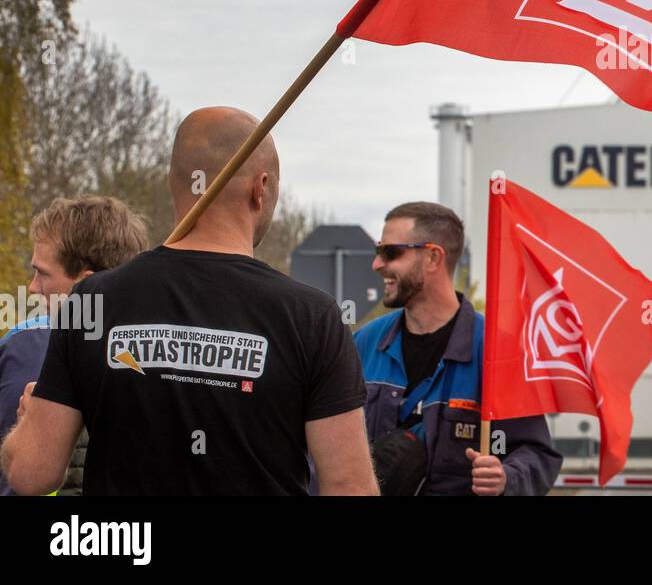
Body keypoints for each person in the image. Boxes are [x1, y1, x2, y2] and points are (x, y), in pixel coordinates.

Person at [0, 106, 378, 495]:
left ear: (173, 183)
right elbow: (350, 486)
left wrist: (28, 422)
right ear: (260, 187)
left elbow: (31, 474)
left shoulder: (91, 301)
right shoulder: (313, 317)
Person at [354, 201, 562, 495]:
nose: (377, 265)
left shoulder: (496, 352)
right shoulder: (363, 344)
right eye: (379, 252)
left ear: (432, 257)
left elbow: (537, 453)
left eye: (390, 253)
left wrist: (506, 477)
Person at [0, 196, 149, 495]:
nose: (31, 287)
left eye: (42, 273)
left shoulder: (28, 346)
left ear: (86, 284)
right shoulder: (20, 343)